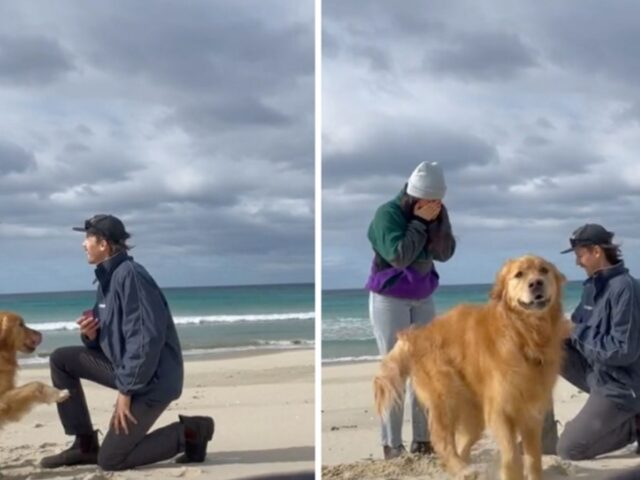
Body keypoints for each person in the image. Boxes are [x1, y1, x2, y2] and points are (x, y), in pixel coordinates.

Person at [41, 214, 214, 471]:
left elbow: (145, 340)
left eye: (88, 238)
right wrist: (92, 336)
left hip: (153, 380)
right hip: (128, 372)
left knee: (111, 460)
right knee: (61, 360)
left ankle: (191, 431)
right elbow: (111, 338)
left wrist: (126, 392)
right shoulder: (107, 280)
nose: (83, 244)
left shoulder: (131, 276)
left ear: (104, 244)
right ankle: (84, 444)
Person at [366, 161, 456, 460]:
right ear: (414, 196)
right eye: (429, 202)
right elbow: (399, 256)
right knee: (395, 370)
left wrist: (436, 224)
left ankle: (423, 440)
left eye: (438, 202)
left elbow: (445, 253)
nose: (434, 206)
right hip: (389, 298)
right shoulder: (386, 215)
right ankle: (392, 444)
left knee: (426, 370)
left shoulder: (437, 212)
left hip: (423, 295)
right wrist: (418, 224)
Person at [546, 223, 640, 460]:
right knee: (542, 349)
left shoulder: (625, 289)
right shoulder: (593, 285)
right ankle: (541, 435)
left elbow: (623, 351)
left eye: (580, 255)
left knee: (569, 450)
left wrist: (575, 331)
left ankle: (635, 425)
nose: (577, 262)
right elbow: (577, 329)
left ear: (597, 252)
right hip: (598, 374)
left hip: (623, 384)